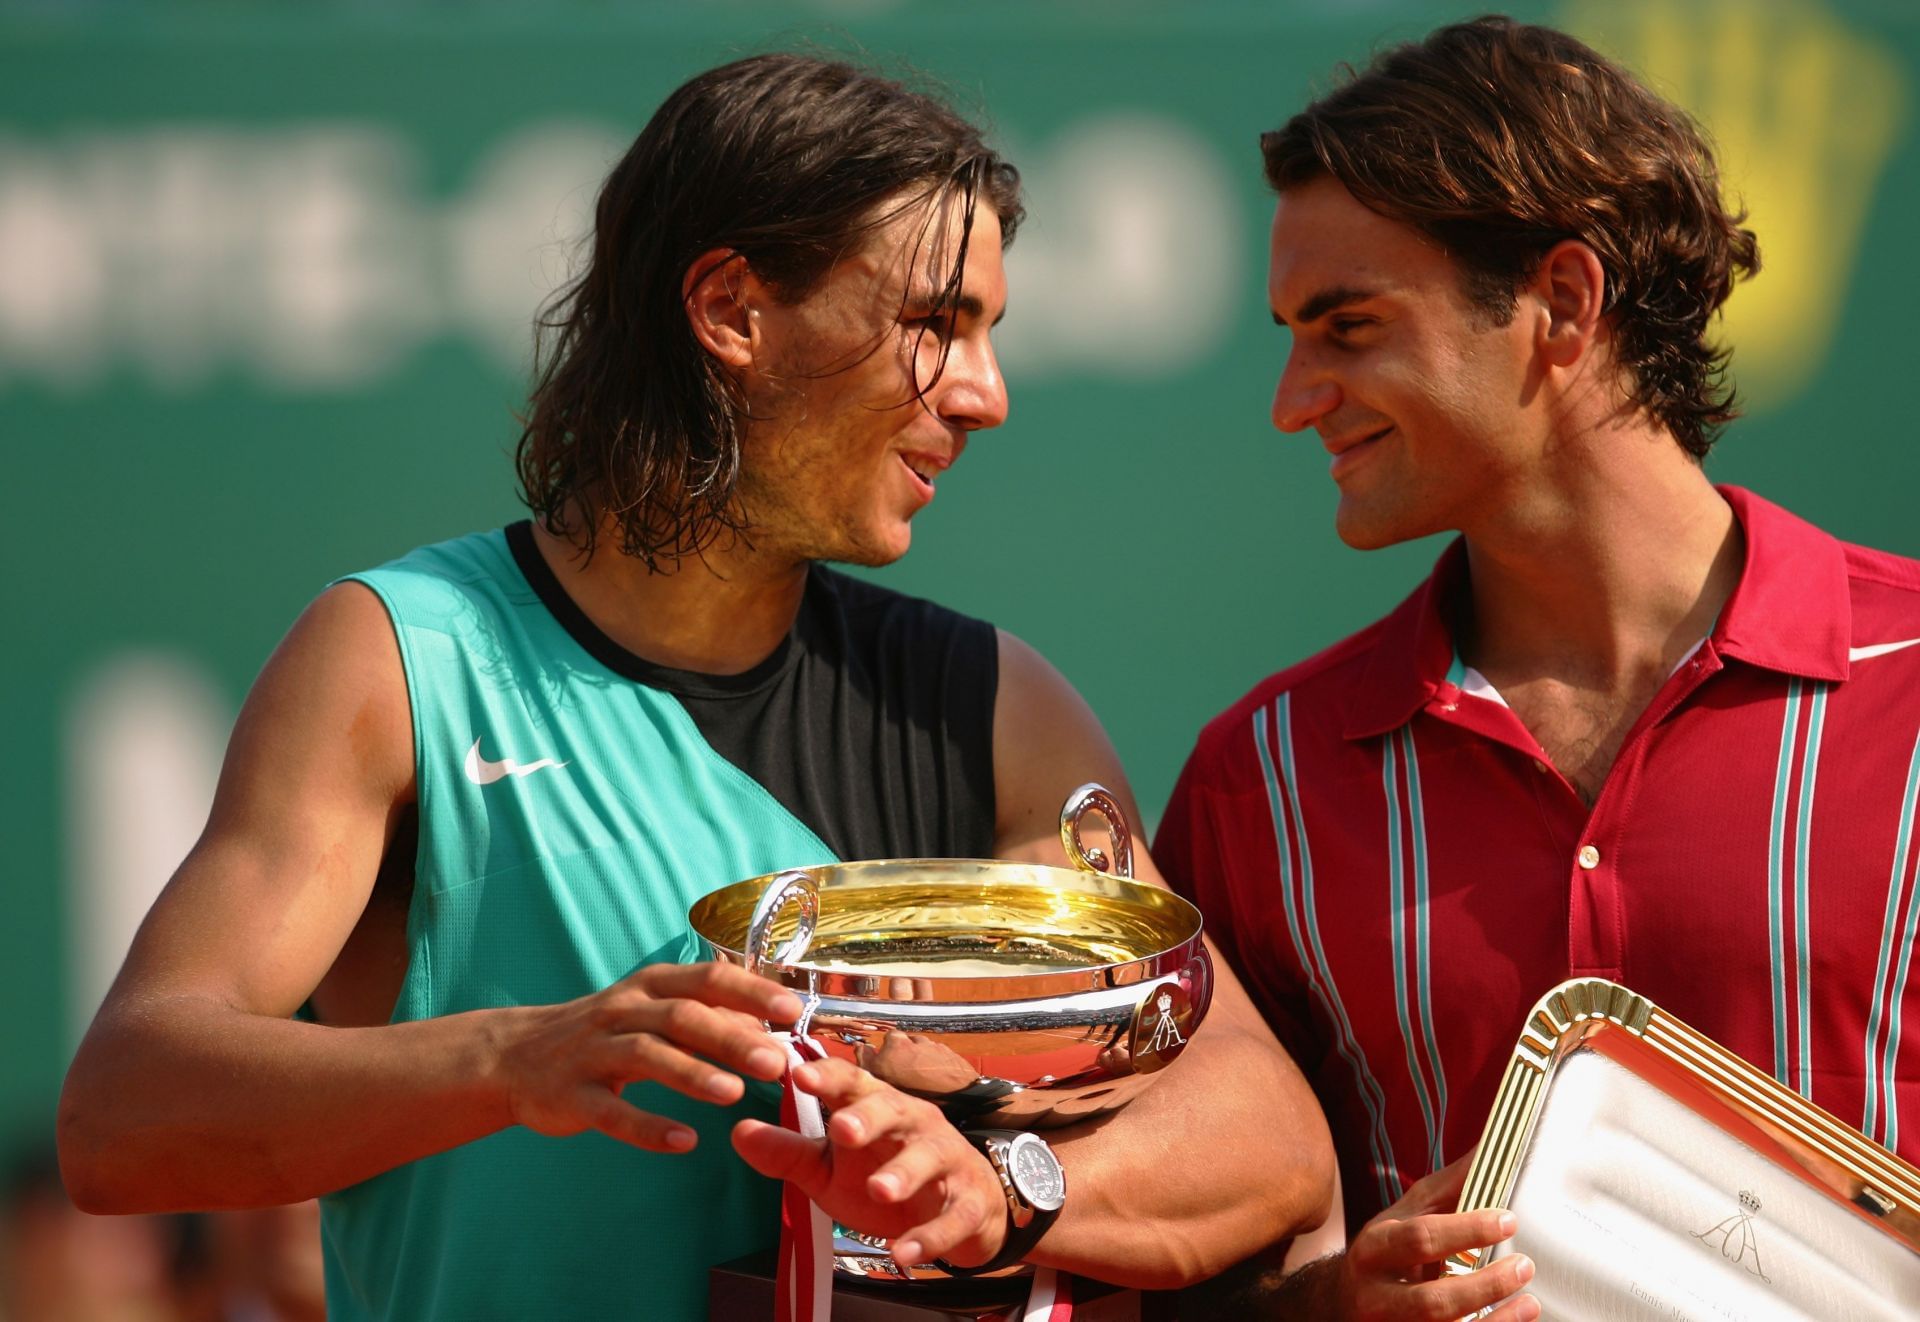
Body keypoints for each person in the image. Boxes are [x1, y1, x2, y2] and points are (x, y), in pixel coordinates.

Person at [56, 53, 1332, 1321]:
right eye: (932, 324)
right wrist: (512, 1055)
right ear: (731, 308)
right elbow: (125, 1116)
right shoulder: (399, 659)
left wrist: (1005, 1189)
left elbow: (1270, 1135)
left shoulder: (994, 703)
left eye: (987, 333)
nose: (985, 394)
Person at [1155, 15, 1920, 1321]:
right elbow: (1175, 1288)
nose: (1292, 395)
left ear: (1562, 302)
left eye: (1347, 325)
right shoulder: (1258, 779)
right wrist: (1333, 1302)